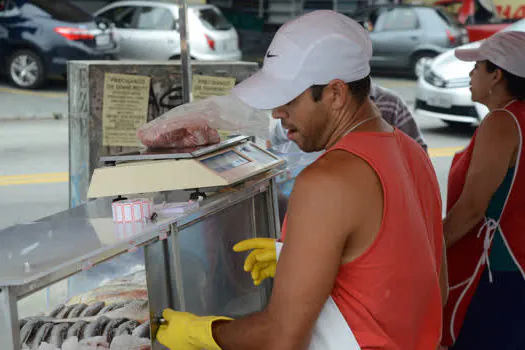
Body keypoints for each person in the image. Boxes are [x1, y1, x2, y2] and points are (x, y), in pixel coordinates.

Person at [157, 10, 445, 349]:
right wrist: (300, 256)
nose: (278, 113)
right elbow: (424, 280)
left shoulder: (327, 180)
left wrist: (202, 333)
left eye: (290, 99)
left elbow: (282, 338)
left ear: (336, 94)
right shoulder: (411, 152)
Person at [441, 31, 525, 349]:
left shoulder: (502, 122)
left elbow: (472, 208)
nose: (470, 74)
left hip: (496, 273)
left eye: (477, 66)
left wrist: (428, 250)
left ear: (496, 75)